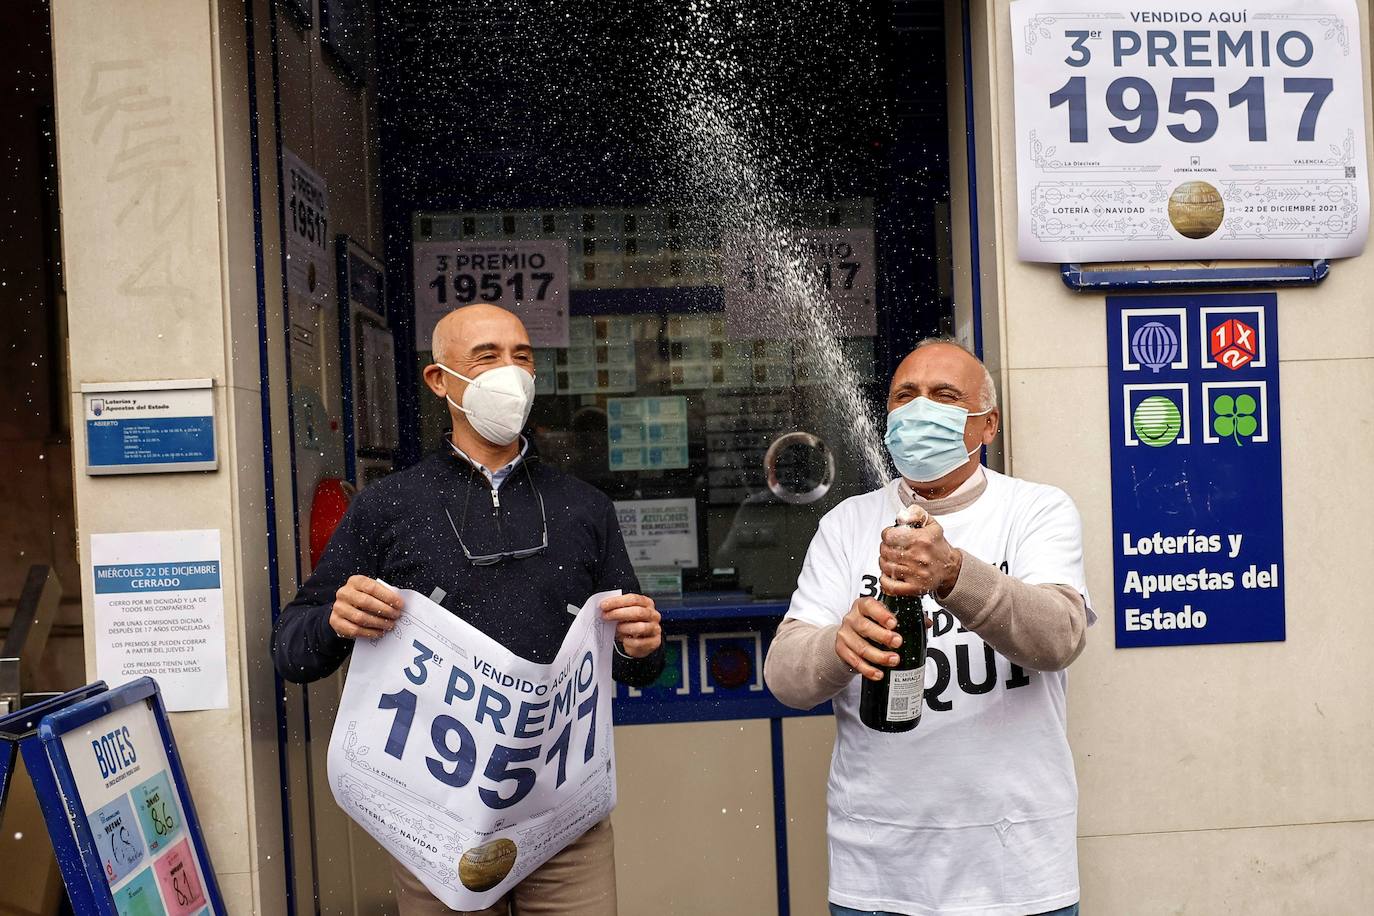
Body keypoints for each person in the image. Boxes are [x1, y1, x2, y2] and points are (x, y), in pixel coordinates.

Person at [272, 303, 665, 916]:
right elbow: (291, 647)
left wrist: (640, 645)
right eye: (487, 357)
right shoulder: (389, 506)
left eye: (522, 357)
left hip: (564, 823)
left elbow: (637, 662)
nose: (510, 372)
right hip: (434, 824)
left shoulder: (584, 507)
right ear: (439, 381)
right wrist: (333, 620)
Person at [763, 339, 1091, 916]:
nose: (920, 409)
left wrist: (954, 573)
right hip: (878, 870)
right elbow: (786, 679)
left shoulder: (1037, 510)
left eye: (944, 396)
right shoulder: (847, 524)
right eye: (904, 396)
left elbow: (1059, 637)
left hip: (1020, 867)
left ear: (986, 424)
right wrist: (837, 648)